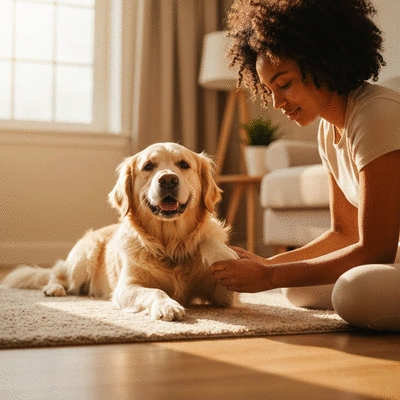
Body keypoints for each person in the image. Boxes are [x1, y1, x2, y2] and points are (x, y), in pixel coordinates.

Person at [209, 0, 400, 331]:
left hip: (387, 252)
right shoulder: (329, 128)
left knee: (354, 292)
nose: (277, 102)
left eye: (284, 84)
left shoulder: (376, 115)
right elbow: (344, 233)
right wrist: (267, 263)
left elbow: (377, 250)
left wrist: (269, 275)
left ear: (322, 62)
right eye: (269, 90)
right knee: (298, 289)